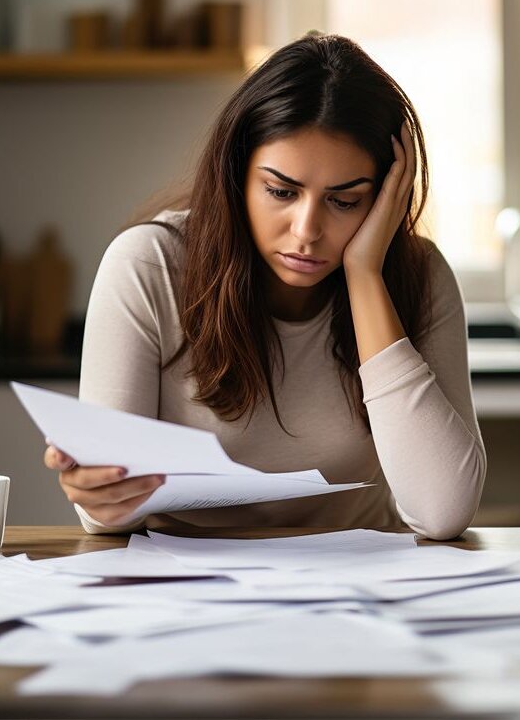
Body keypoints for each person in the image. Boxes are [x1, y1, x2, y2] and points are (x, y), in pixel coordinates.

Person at [44, 32, 486, 540]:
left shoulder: (419, 276)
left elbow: (443, 513)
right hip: (185, 576)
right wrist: (100, 493)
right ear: (237, 176)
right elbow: (110, 518)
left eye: (345, 201)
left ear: (387, 194)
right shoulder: (149, 265)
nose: (306, 230)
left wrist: (365, 275)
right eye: (280, 191)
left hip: (358, 577)